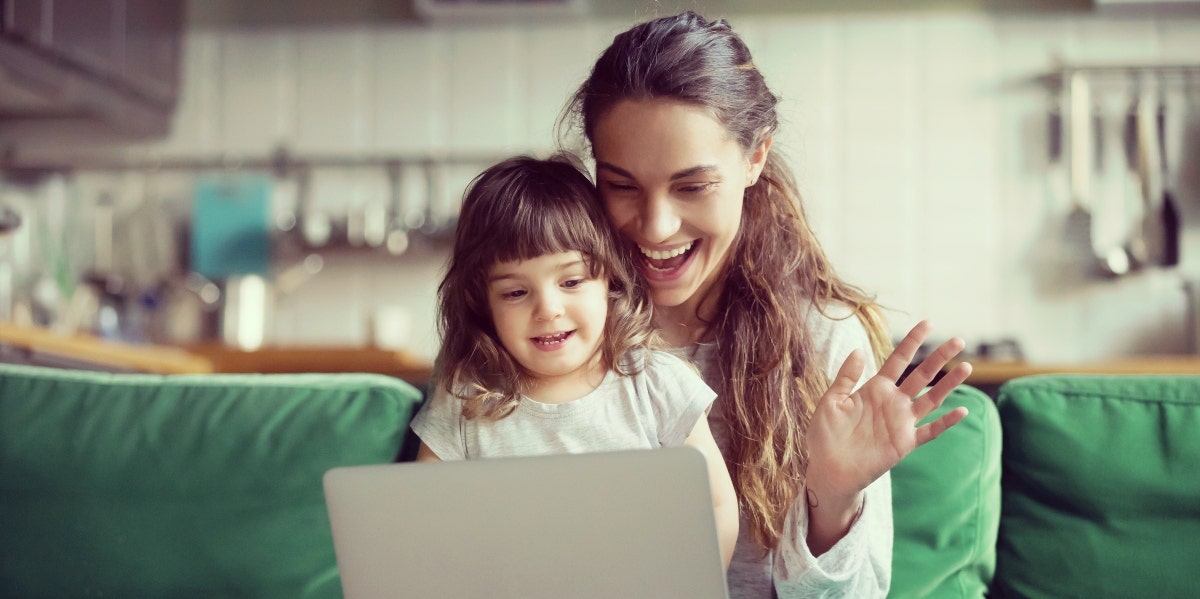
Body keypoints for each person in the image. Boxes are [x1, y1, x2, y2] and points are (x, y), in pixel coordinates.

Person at [559, 11, 973, 598]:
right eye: (621, 185)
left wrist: (834, 498)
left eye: (692, 186)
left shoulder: (825, 340)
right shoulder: (549, 324)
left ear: (755, 158)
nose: (654, 226)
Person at [408, 154, 740, 568]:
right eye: (515, 292)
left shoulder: (656, 383)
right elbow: (426, 522)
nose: (548, 309)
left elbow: (716, 506)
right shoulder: (465, 397)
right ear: (483, 303)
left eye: (571, 281)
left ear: (609, 281)